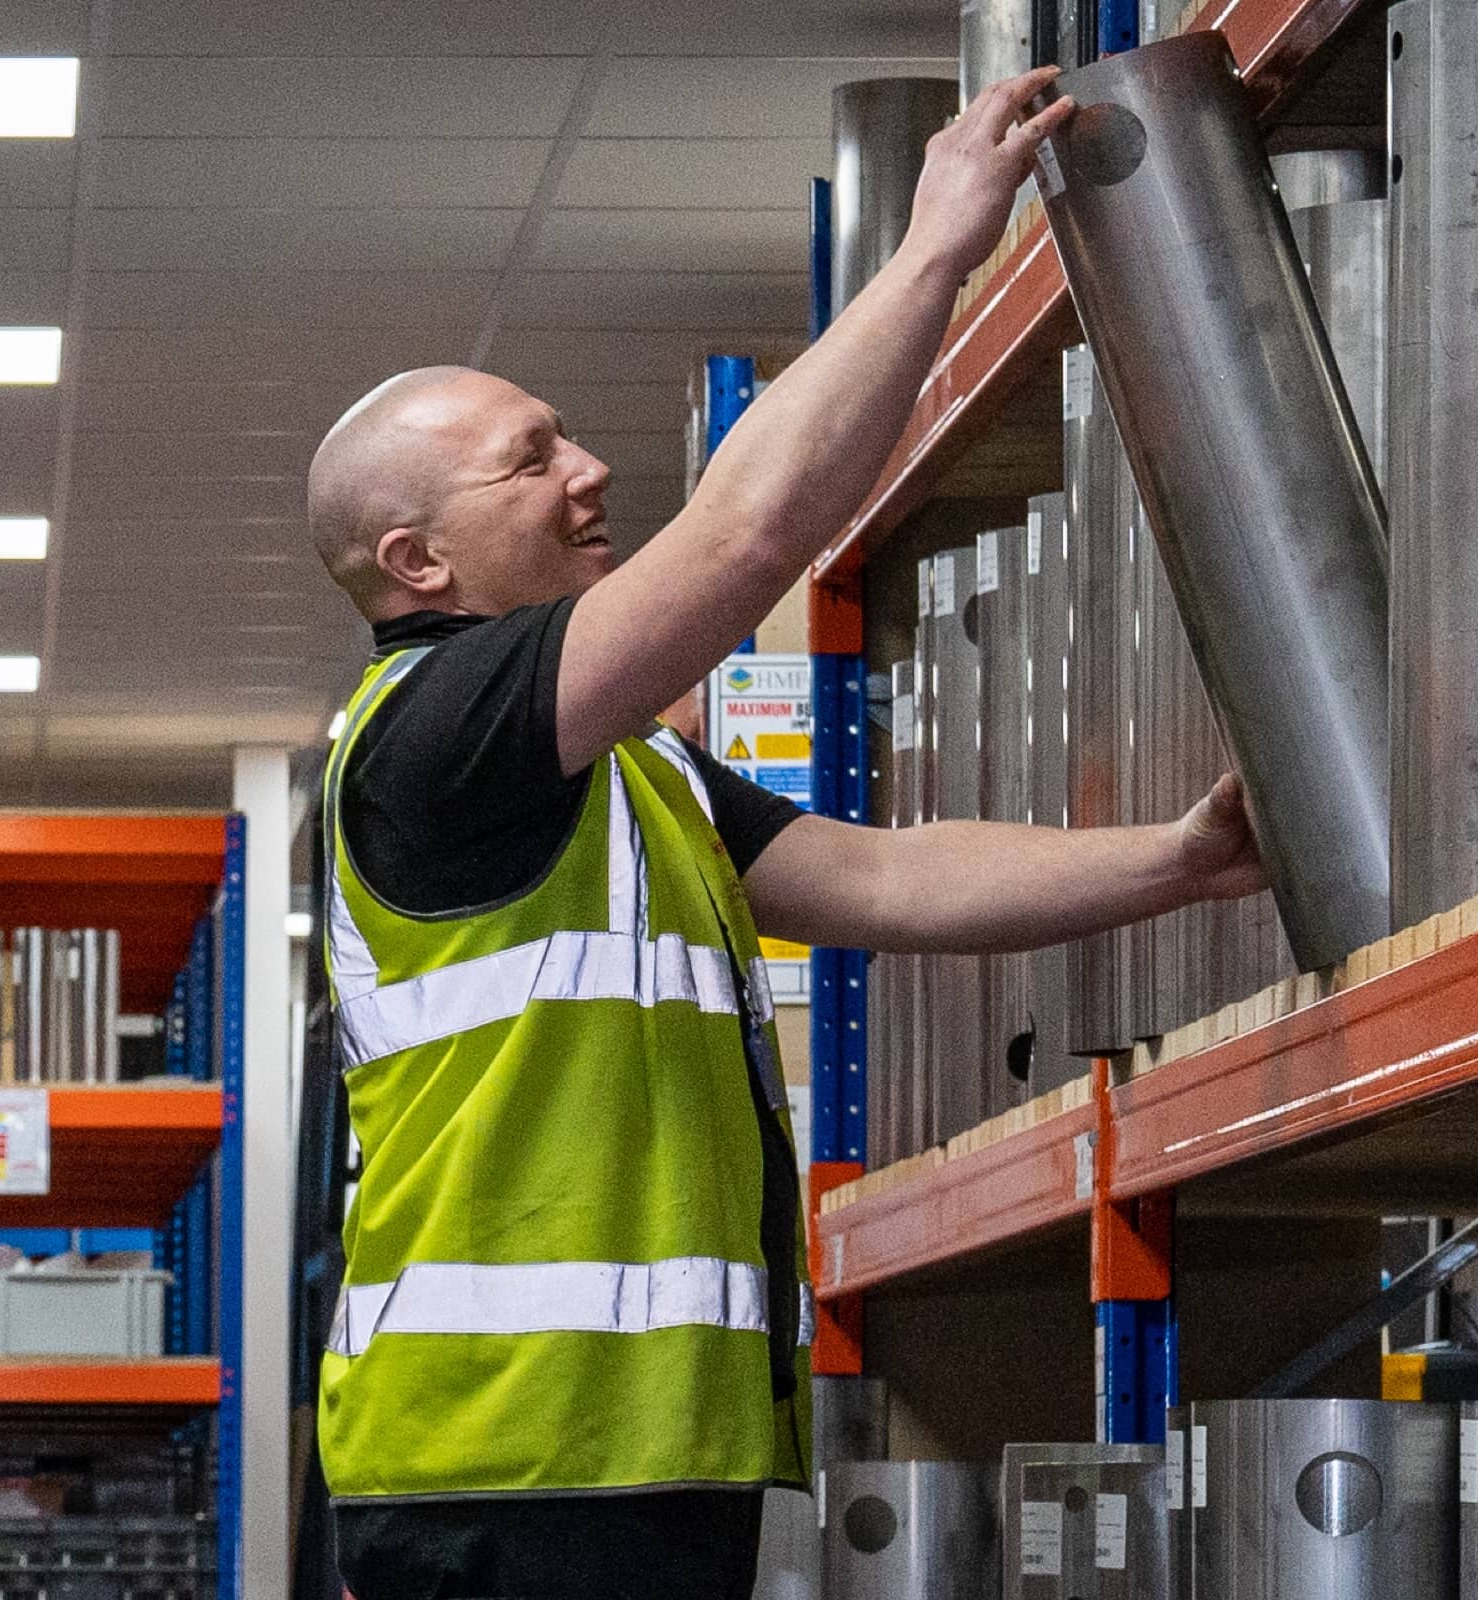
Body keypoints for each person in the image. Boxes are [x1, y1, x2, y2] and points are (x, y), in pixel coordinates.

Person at [302, 69, 1266, 1598]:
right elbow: (746, 537)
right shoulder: (435, 739)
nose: (588, 470)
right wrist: (940, 246)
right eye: (532, 457)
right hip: (513, 1460)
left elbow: (885, 873)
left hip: (628, 1453)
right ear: (416, 559)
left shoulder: (633, 778)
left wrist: (1183, 860)